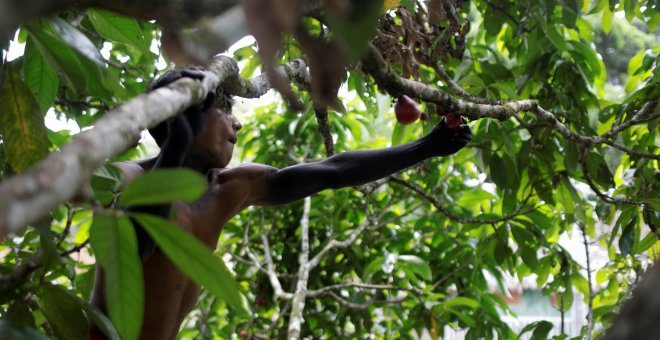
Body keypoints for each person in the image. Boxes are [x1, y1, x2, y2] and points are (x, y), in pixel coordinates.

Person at [90, 67, 472, 339]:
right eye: (225, 109)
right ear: (183, 117)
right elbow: (131, 252)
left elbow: (332, 171)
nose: (236, 124)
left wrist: (428, 146)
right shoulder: (127, 179)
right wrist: (175, 145)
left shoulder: (230, 188)